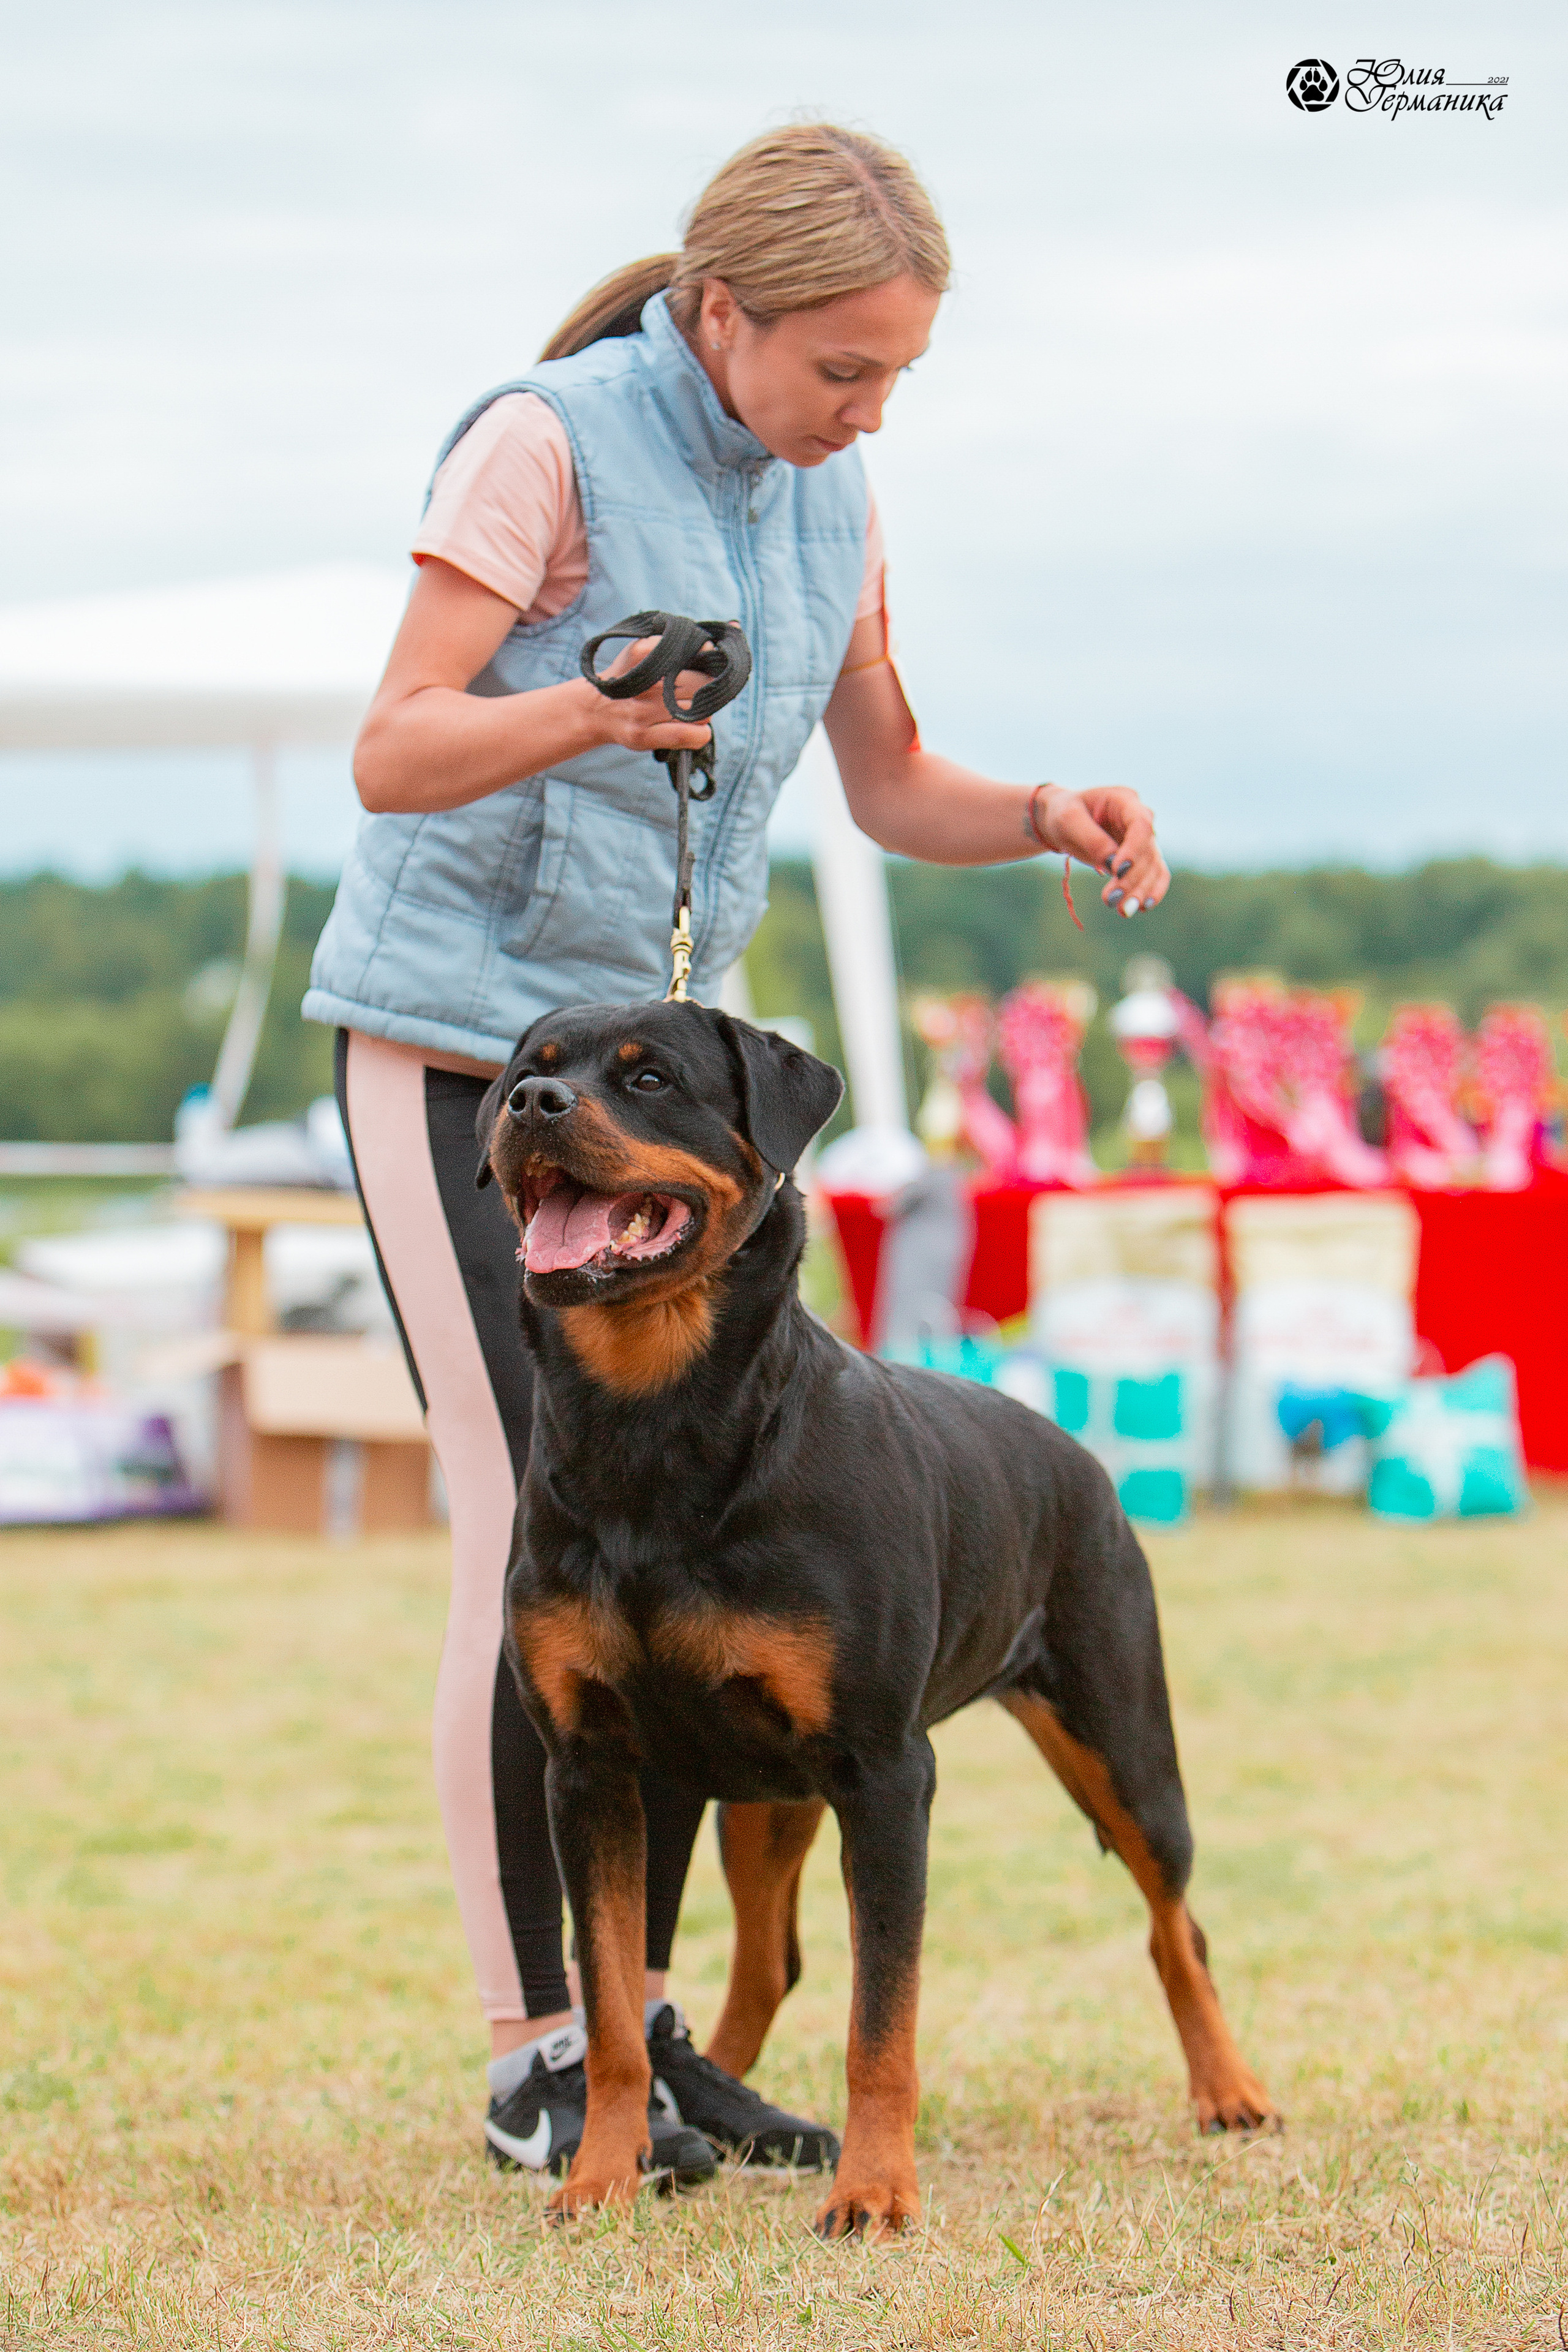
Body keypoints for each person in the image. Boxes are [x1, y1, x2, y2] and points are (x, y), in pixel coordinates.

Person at [303, 122, 1170, 2184]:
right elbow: (396, 741)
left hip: (675, 1120)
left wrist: (1040, 806)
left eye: (896, 380)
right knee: (529, 1524)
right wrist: (585, 712)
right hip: (463, 1062)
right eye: (843, 369)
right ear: (721, 312)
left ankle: (640, 2024)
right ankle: (540, 2051)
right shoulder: (544, 444)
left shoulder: (831, 492)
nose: (868, 413)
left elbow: (883, 782)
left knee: (737, 1535)